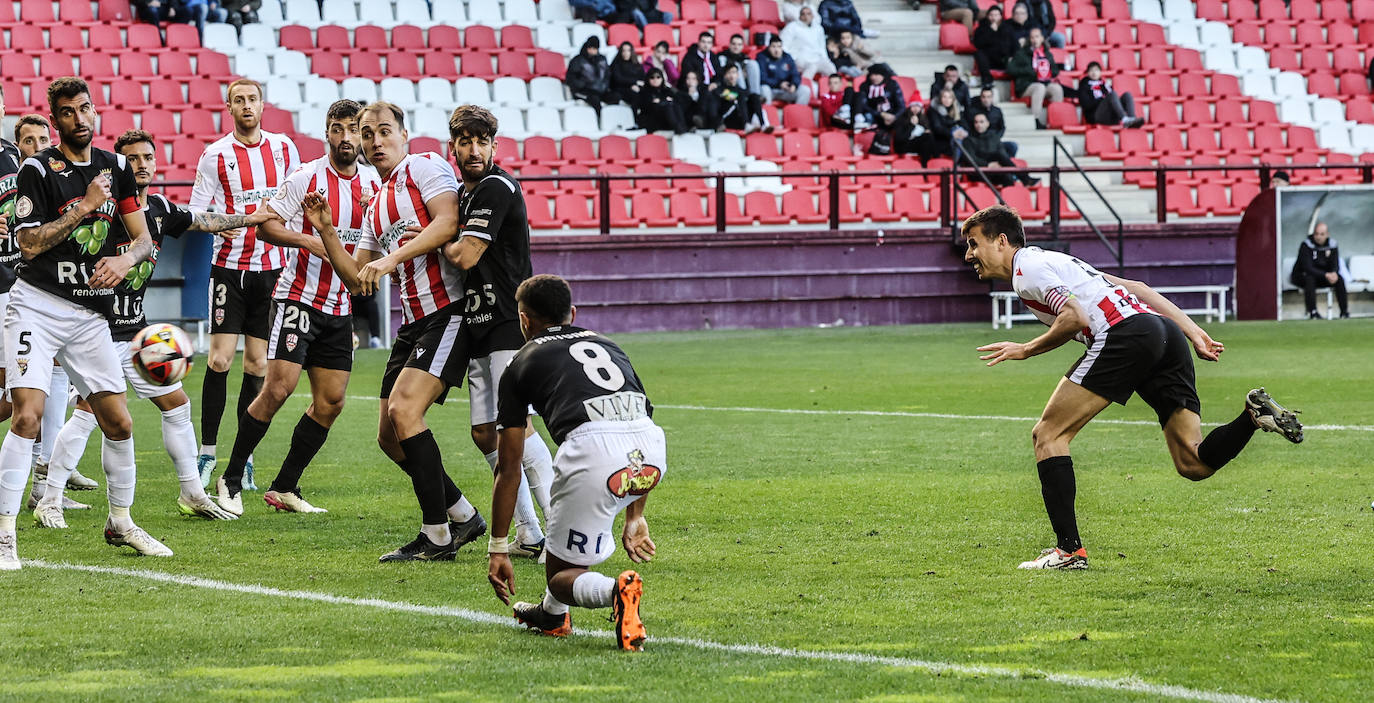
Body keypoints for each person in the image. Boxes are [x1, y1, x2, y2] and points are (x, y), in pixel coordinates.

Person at [961, 205, 1304, 570]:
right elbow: (1136, 288)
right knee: (1193, 462)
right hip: (1162, 332)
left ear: (1001, 241)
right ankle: (1252, 416)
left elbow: (1074, 317)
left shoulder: (1026, 272)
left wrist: (1026, 349)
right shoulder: (1056, 261)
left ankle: (1068, 552)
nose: (969, 255)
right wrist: (1191, 330)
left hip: (1126, 335)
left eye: (973, 244)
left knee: (1048, 435)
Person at [35, 128, 263, 527]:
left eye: (147, 157)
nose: (141, 165)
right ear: (117, 166)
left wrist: (253, 217)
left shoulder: (157, 208)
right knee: (90, 413)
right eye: (132, 158)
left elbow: (202, 219)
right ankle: (50, 499)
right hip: (95, 330)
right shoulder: (100, 211)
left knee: (177, 404)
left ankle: (192, 492)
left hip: (136, 334)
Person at [305, 102, 486, 562]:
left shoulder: (424, 167)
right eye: (367, 135)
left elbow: (447, 223)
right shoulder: (376, 201)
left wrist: (390, 259)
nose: (374, 141)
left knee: (406, 412)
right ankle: (463, 514)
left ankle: (437, 535)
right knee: (389, 435)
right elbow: (356, 276)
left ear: (404, 135)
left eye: (384, 131)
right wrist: (326, 231)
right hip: (413, 324)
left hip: (449, 311)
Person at [1, 77, 167, 569]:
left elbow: (142, 239)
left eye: (85, 108)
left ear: (95, 112)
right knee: (26, 415)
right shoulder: (36, 169)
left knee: (119, 422)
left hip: (89, 313)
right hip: (36, 303)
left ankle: (121, 522)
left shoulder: (117, 167)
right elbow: (28, 244)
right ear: (55, 121)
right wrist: (87, 209)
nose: (79, 118)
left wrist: (125, 260)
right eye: (68, 112)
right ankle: (6, 533)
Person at [211, 99, 380, 516]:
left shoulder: (373, 185)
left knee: (332, 401)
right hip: (297, 297)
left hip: (339, 307)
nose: (345, 138)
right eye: (337, 129)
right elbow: (266, 223)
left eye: (353, 129)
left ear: (362, 134)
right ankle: (231, 478)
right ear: (326, 132)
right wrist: (307, 240)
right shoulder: (307, 176)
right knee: (278, 388)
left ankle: (285, 485)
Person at [486, 274, 666, 652]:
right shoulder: (609, 344)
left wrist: (498, 548)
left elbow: (509, 467)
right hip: (650, 449)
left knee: (561, 576)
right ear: (572, 313)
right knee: (565, 546)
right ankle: (551, 617)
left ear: (524, 320)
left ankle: (617, 591)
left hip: (593, 453)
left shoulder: (519, 363)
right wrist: (635, 515)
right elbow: (635, 418)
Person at [191, 78, 300, 492]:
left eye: (252, 99)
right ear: (229, 107)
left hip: (273, 271)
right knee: (219, 360)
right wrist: (219, 227)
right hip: (230, 270)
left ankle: (245, 457)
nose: (247, 106)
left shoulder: (284, 148)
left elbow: (297, 196)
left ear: (262, 104)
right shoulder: (215, 155)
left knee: (257, 366)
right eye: (239, 100)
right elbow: (198, 210)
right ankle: (207, 452)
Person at [1290, 222, 1350, 319]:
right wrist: (1326, 275)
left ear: (1327, 234)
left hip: (1323, 276)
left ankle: (1344, 312)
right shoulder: (1306, 245)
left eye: (1321, 234)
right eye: (1316, 234)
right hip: (1304, 276)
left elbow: (1335, 263)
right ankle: (1312, 312)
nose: (1318, 237)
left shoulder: (1332, 245)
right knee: (1310, 279)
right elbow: (1308, 268)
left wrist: (1334, 273)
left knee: (1339, 279)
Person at [1007, 27, 1063, 129]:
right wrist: (1029, 71)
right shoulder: (1022, 53)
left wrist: (1047, 71)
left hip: (1044, 83)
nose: (1034, 40)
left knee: (1057, 88)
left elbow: (1055, 71)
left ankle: (1056, 119)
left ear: (1042, 38)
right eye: (1032, 37)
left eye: (1037, 37)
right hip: (1026, 85)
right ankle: (1035, 120)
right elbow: (1010, 69)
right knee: (1039, 87)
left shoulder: (1047, 53)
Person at [963, 112, 1039, 186]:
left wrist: (998, 166)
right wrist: (988, 165)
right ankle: (1025, 179)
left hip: (994, 170)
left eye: (981, 122)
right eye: (976, 122)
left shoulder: (994, 137)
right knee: (999, 157)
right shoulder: (968, 140)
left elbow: (1003, 155)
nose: (978, 125)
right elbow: (971, 159)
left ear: (987, 123)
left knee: (1007, 175)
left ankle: (1010, 196)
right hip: (979, 171)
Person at [1077, 62, 1145, 128]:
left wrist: (1105, 98)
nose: (1094, 73)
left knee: (1127, 95)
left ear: (1100, 72)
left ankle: (1132, 119)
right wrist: (1102, 99)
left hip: (1110, 116)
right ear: (1088, 73)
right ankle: (1125, 120)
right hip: (1096, 116)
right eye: (1091, 70)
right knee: (1112, 95)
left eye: (1096, 70)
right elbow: (1086, 105)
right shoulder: (1084, 86)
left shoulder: (1104, 85)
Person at [712, 65, 770, 132]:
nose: (732, 75)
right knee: (741, 97)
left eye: (734, 72)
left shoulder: (741, 90)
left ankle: (763, 125)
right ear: (724, 75)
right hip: (728, 119)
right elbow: (728, 97)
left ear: (738, 75)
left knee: (754, 96)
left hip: (741, 118)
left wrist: (758, 100)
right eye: (729, 73)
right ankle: (746, 124)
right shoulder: (719, 89)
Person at [782, 6, 836, 79]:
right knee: (811, 67)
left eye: (808, 14)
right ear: (799, 16)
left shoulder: (819, 28)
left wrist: (825, 59)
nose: (806, 16)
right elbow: (783, 44)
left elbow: (822, 47)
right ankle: (805, 87)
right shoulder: (792, 27)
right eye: (803, 14)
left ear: (812, 15)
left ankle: (836, 89)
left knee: (831, 68)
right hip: (799, 58)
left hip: (817, 58)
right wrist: (791, 59)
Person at [566, 36, 616, 114]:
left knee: (615, 97)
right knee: (595, 100)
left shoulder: (602, 59)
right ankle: (600, 121)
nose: (592, 50)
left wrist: (605, 86)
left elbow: (607, 75)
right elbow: (570, 78)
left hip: (600, 91)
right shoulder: (577, 60)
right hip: (583, 91)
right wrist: (583, 85)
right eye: (591, 48)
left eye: (595, 48)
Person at [757, 37, 811, 105]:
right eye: (773, 47)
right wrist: (779, 84)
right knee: (764, 89)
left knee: (805, 90)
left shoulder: (787, 57)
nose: (776, 50)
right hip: (771, 90)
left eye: (779, 47)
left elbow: (795, 74)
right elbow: (762, 78)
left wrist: (794, 84)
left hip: (786, 90)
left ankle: (797, 114)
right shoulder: (762, 57)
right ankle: (768, 113)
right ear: (769, 47)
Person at [973, 5, 1016, 88]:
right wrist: (991, 31)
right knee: (979, 53)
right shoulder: (982, 27)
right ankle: (987, 80)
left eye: (996, 15)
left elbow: (1015, 45)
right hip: (989, 60)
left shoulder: (1008, 28)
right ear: (987, 16)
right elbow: (978, 44)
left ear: (1000, 16)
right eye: (991, 15)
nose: (994, 18)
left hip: (1004, 59)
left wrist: (1012, 56)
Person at [633, 69, 689, 134]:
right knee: (667, 106)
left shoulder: (667, 90)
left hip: (666, 121)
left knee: (675, 105)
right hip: (652, 121)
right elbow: (643, 107)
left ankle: (682, 126)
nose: (655, 80)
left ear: (662, 79)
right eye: (652, 77)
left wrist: (662, 101)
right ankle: (678, 128)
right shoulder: (644, 92)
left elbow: (682, 100)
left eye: (658, 77)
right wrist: (661, 101)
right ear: (648, 79)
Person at [967, 86, 1017, 157]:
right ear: (980, 98)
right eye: (984, 97)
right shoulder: (973, 112)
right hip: (980, 142)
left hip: (994, 140)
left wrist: (996, 138)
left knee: (1012, 146)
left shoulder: (997, 111)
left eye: (988, 97)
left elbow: (1002, 127)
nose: (986, 99)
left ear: (992, 98)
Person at [857, 63, 906, 134]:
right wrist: (881, 114)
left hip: (891, 115)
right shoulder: (864, 86)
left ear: (883, 75)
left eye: (876, 75)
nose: (873, 77)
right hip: (874, 116)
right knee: (867, 116)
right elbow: (863, 105)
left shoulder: (892, 84)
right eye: (871, 75)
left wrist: (894, 117)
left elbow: (901, 105)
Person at [927, 88, 969, 161]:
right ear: (940, 98)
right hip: (941, 140)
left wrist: (964, 132)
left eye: (949, 97)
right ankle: (957, 165)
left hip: (957, 136)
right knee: (958, 141)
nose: (947, 99)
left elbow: (964, 124)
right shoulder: (933, 110)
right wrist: (952, 133)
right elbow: (937, 128)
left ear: (953, 99)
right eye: (944, 97)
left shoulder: (957, 109)